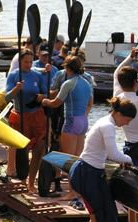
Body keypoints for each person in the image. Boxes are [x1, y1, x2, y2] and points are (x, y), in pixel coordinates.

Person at [69, 97, 135, 222]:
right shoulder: (108, 126)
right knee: (99, 215)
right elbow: (113, 154)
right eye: (127, 120)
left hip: (90, 171)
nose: (126, 124)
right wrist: (129, 160)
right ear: (118, 114)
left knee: (105, 213)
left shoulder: (105, 122)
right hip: (87, 173)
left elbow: (108, 153)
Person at [42, 55, 93, 202]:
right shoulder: (87, 82)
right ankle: (78, 191)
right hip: (83, 121)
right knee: (78, 159)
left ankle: (71, 192)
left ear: (67, 68)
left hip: (71, 121)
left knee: (68, 160)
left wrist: (45, 101)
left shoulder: (68, 83)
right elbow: (90, 103)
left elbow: (56, 103)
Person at [5, 48, 47, 193]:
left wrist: (42, 96)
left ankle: (31, 182)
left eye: (30, 62)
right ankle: (22, 179)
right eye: (25, 62)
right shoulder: (13, 75)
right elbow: (7, 97)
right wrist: (16, 89)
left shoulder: (37, 75)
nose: (28, 64)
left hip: (36, 115)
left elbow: (45, 92)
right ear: (20, 61)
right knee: (21, 148)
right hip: (20, 115)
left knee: (38, 148)